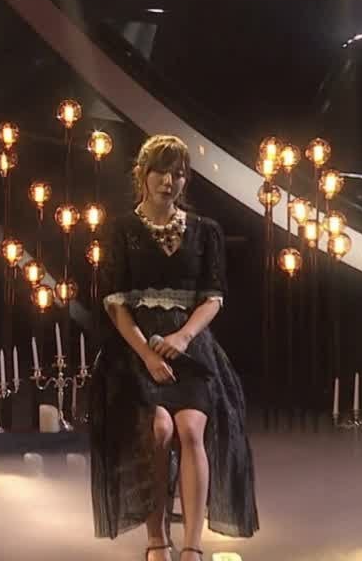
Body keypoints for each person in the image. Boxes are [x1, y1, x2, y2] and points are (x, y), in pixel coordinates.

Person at [89, 134, 258, 561]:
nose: (169, 181)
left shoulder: (206, 231)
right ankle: (156, 539)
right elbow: (115, 303)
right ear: (143, 175)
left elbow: (213, 297)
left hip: (191, 348)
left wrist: (183, 337)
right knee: (159, 430)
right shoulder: (122, 229)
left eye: (178, 173)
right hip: (137, 350)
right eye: (161, 171)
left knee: (191, 430)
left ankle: (192, 547)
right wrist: (147, 353)